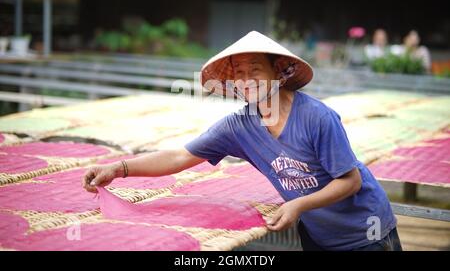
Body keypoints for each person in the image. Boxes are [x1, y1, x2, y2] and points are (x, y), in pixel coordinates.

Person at [82, 31, 402, 251]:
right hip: (318, 234)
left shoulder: (317, 118)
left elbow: (351, 181)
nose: (246, 79)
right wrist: (118, 168)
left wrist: (298, 204)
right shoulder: (239, 127)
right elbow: (179, 157)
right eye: (239, 73)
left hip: (366, 233)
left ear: (279, 73)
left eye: (255, 69)